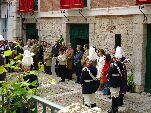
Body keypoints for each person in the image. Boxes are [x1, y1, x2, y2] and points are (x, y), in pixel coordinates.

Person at [107, 46, 125, 113]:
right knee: (117, 95)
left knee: (113, 96)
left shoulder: (113, 64)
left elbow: (109, 74)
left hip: (113, 82)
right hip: (118, 82)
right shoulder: (121, 65)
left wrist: (108, 77)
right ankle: (116, 109)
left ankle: (113, 110)